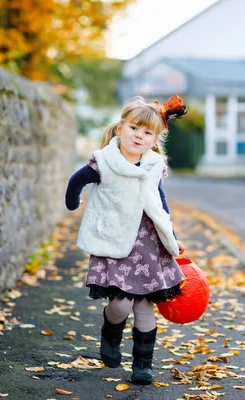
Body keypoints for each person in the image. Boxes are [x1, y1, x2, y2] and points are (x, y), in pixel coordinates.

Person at [65, 95, 188, 384]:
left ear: (154, 139)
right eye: (134, 128)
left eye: (148, 133)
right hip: (116, 242)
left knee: (144, 306)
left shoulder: (153, 165)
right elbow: (76, 181)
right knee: (121, 304)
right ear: (120, 128)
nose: (139, 136)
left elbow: (160, 204)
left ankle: (143, 365)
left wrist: (171, 236)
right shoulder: (104, 162)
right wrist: (73, 202)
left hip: (148, 244)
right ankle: (111, 332)